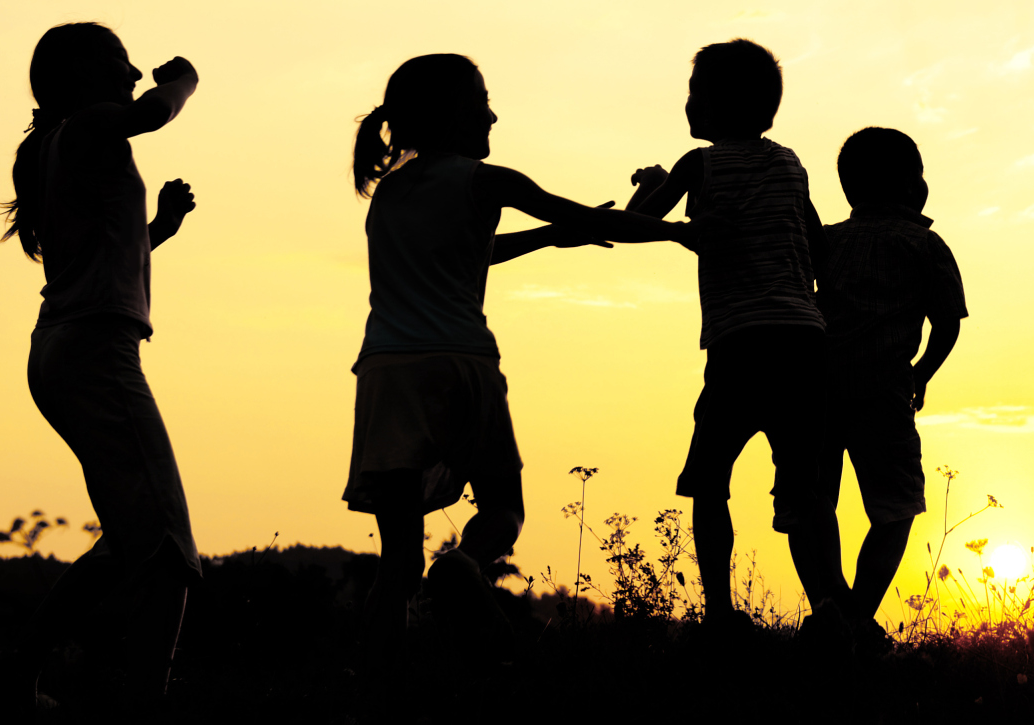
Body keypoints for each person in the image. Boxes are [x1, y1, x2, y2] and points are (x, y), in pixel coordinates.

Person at [345, 53, 709, 688]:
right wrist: (679, 231)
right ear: (456, 115)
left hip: (384, 373)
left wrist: (541, 242)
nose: (493, 112)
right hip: (461, 363)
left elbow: (469, 250)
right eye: (483, 100)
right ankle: (467, 564)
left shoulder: (390, 192)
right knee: (503, 510)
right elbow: (592, 219)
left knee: (396, 562)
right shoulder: (487, 180)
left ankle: (374, 697)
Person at [2, 22, 203, 705]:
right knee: (169, 549)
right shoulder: (91, 125)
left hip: (60, 349)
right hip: (96, 354)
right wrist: (183, 78)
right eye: (121, 62)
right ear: (84, 75)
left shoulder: (47, 151)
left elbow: (100, 255)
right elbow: (151, 111)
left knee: (126, 540)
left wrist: (160, 233)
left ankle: (13, 676)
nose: (134, 70)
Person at [626, 39, 848, 637]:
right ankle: (833, 608)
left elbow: (634, 225)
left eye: (696, 92)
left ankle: (721, 615)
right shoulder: (791, 164)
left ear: (720, 104)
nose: (688, 104)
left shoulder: (700, 166)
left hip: (740, 345)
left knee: (710, 482)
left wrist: (652, 189)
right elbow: (821, 251)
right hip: (805, 343)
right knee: (805, 489)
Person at [807, 127, 966, 646]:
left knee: (812, 506)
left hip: (816, 392)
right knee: (896, 507)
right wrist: (922, 372)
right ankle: (854, 617)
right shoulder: (925, 243)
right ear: (909, 186)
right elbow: (947, 325)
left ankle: (831, 605)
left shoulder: (824, 241)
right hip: (885, 394)